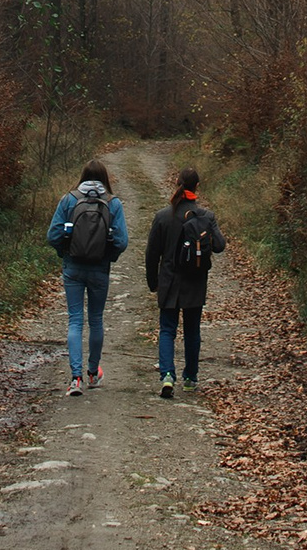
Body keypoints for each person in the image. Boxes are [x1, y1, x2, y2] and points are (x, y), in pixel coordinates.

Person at [45, 160, 130, 397]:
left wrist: (65, 250)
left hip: (73, 266)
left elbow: (52, 235)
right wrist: (108, 255)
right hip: (99, 268)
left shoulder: (69, 199)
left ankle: (75, 378)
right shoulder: (113, 203)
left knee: (75, 320)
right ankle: (93, 373)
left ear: (82, 176)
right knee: (96, 320)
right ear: (105, 178)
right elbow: (122, 242)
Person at [144, 166, 225, 399]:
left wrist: (153, 282)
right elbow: (219, 246)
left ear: (176, 183)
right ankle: (190, 377)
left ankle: (167, 375)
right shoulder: (206, 217)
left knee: (167, 330)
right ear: (196, 187)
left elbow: (152, 254)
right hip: (195, 282)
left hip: (169, 282)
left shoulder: (162, 217)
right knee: (192, 331)